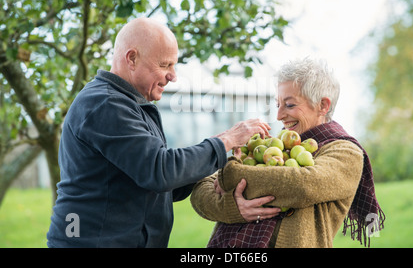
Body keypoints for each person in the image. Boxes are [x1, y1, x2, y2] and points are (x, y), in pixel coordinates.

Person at [46, 17, 271, 248]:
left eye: (174, 65)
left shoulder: (132, 105)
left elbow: (160, 184)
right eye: (165, 65)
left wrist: (219, 172)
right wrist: (226, 140)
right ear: (132, 58)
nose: (173, 75)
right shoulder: (105, 104)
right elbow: (160, 170)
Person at [190, 57, 385, 248]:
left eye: (290, 105)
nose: (279, 115)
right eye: (278, 104)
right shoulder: (273, 146)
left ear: (323, 106)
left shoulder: (345, 152)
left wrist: (230, 171)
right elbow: (200, 189)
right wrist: (233, 208)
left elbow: (302, 185)